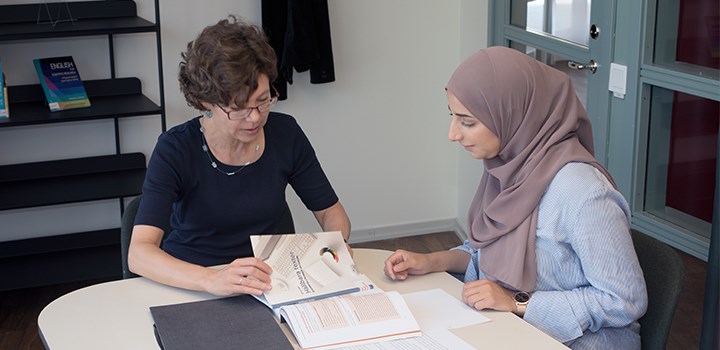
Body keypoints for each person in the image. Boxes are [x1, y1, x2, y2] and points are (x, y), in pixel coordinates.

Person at [384, 47, 647, 349]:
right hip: (510, 331)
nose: (453, 134)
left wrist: (518, 302)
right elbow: (484, 250)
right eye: (452, 117)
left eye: (467, 122)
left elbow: (625, 300)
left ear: (513, 116)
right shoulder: (510, 167)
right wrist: (430, 261)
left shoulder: (583, 192)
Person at [128, 16, 350, 298]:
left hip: (269, 284)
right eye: (239, 108)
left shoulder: (285, 134)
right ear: (206, 101)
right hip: (191, 283)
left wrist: (332, 249)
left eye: (263, 100)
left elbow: (331, 213)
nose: (255, 117)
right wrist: (212, 279)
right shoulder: (176, 149)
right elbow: (139, 253)